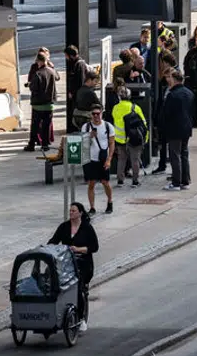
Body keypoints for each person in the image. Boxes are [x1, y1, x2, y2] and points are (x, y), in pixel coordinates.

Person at [48, 202, 98, 333]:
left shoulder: (87, 228)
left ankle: (81, 319)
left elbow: (94, 247)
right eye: (70, 211)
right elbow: (53, 241)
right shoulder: (64, 227)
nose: (71, 213)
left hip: (83, 263)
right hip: (67, 263)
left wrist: (79, 249)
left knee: (78, 288)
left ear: (80, 213)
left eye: (73, 211)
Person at [160, 70, 194, 191]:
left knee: (175, 155)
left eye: (170, 78)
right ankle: (185, 180)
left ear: (174, 79)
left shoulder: (172, 95)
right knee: (184, 153)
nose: (168, 80)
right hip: (186, 128)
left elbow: (166, 113)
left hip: (174, 128)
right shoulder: (188, 93)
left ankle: (176, 182)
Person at [109, 86, 146, 188]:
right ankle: (135, 181)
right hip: (133, 137)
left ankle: (120, 181)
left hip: (120, 138)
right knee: (135, 159)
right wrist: (145, 138)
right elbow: (143, 123)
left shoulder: (115, 108)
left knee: (121, 159)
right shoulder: (135, 107)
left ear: (119, 97)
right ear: (129, 96)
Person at [81, 107, 115, 215]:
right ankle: (92, 207)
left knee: (105, 182)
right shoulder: (86, 127)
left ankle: (109, 202)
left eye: (98, 114)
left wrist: (109, 159)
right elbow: (83, 144)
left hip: (103, 158)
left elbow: (112, 143)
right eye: (93, 114)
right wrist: (89, 137)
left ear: (101, 114)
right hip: (91, 159)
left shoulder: (108, 126)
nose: (96, 116)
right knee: (91, 183)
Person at [25, 50, 58, 152]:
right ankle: (45, 145)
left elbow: (33, 88)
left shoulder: (38, 73)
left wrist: (30, 85)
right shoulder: (52, 71)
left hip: (38, 105)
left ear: (39, 61)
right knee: (46, 125)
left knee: (35, 125)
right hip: (49, 104)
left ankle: (31, 145)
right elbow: (57, 77)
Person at [64, 45, 95, 131]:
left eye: (66, 56)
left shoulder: (79, 65)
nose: (66, 58)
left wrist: (74, 93)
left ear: (71, 55)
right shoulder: (78, 63)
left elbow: (80, 81)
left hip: (78, 96)